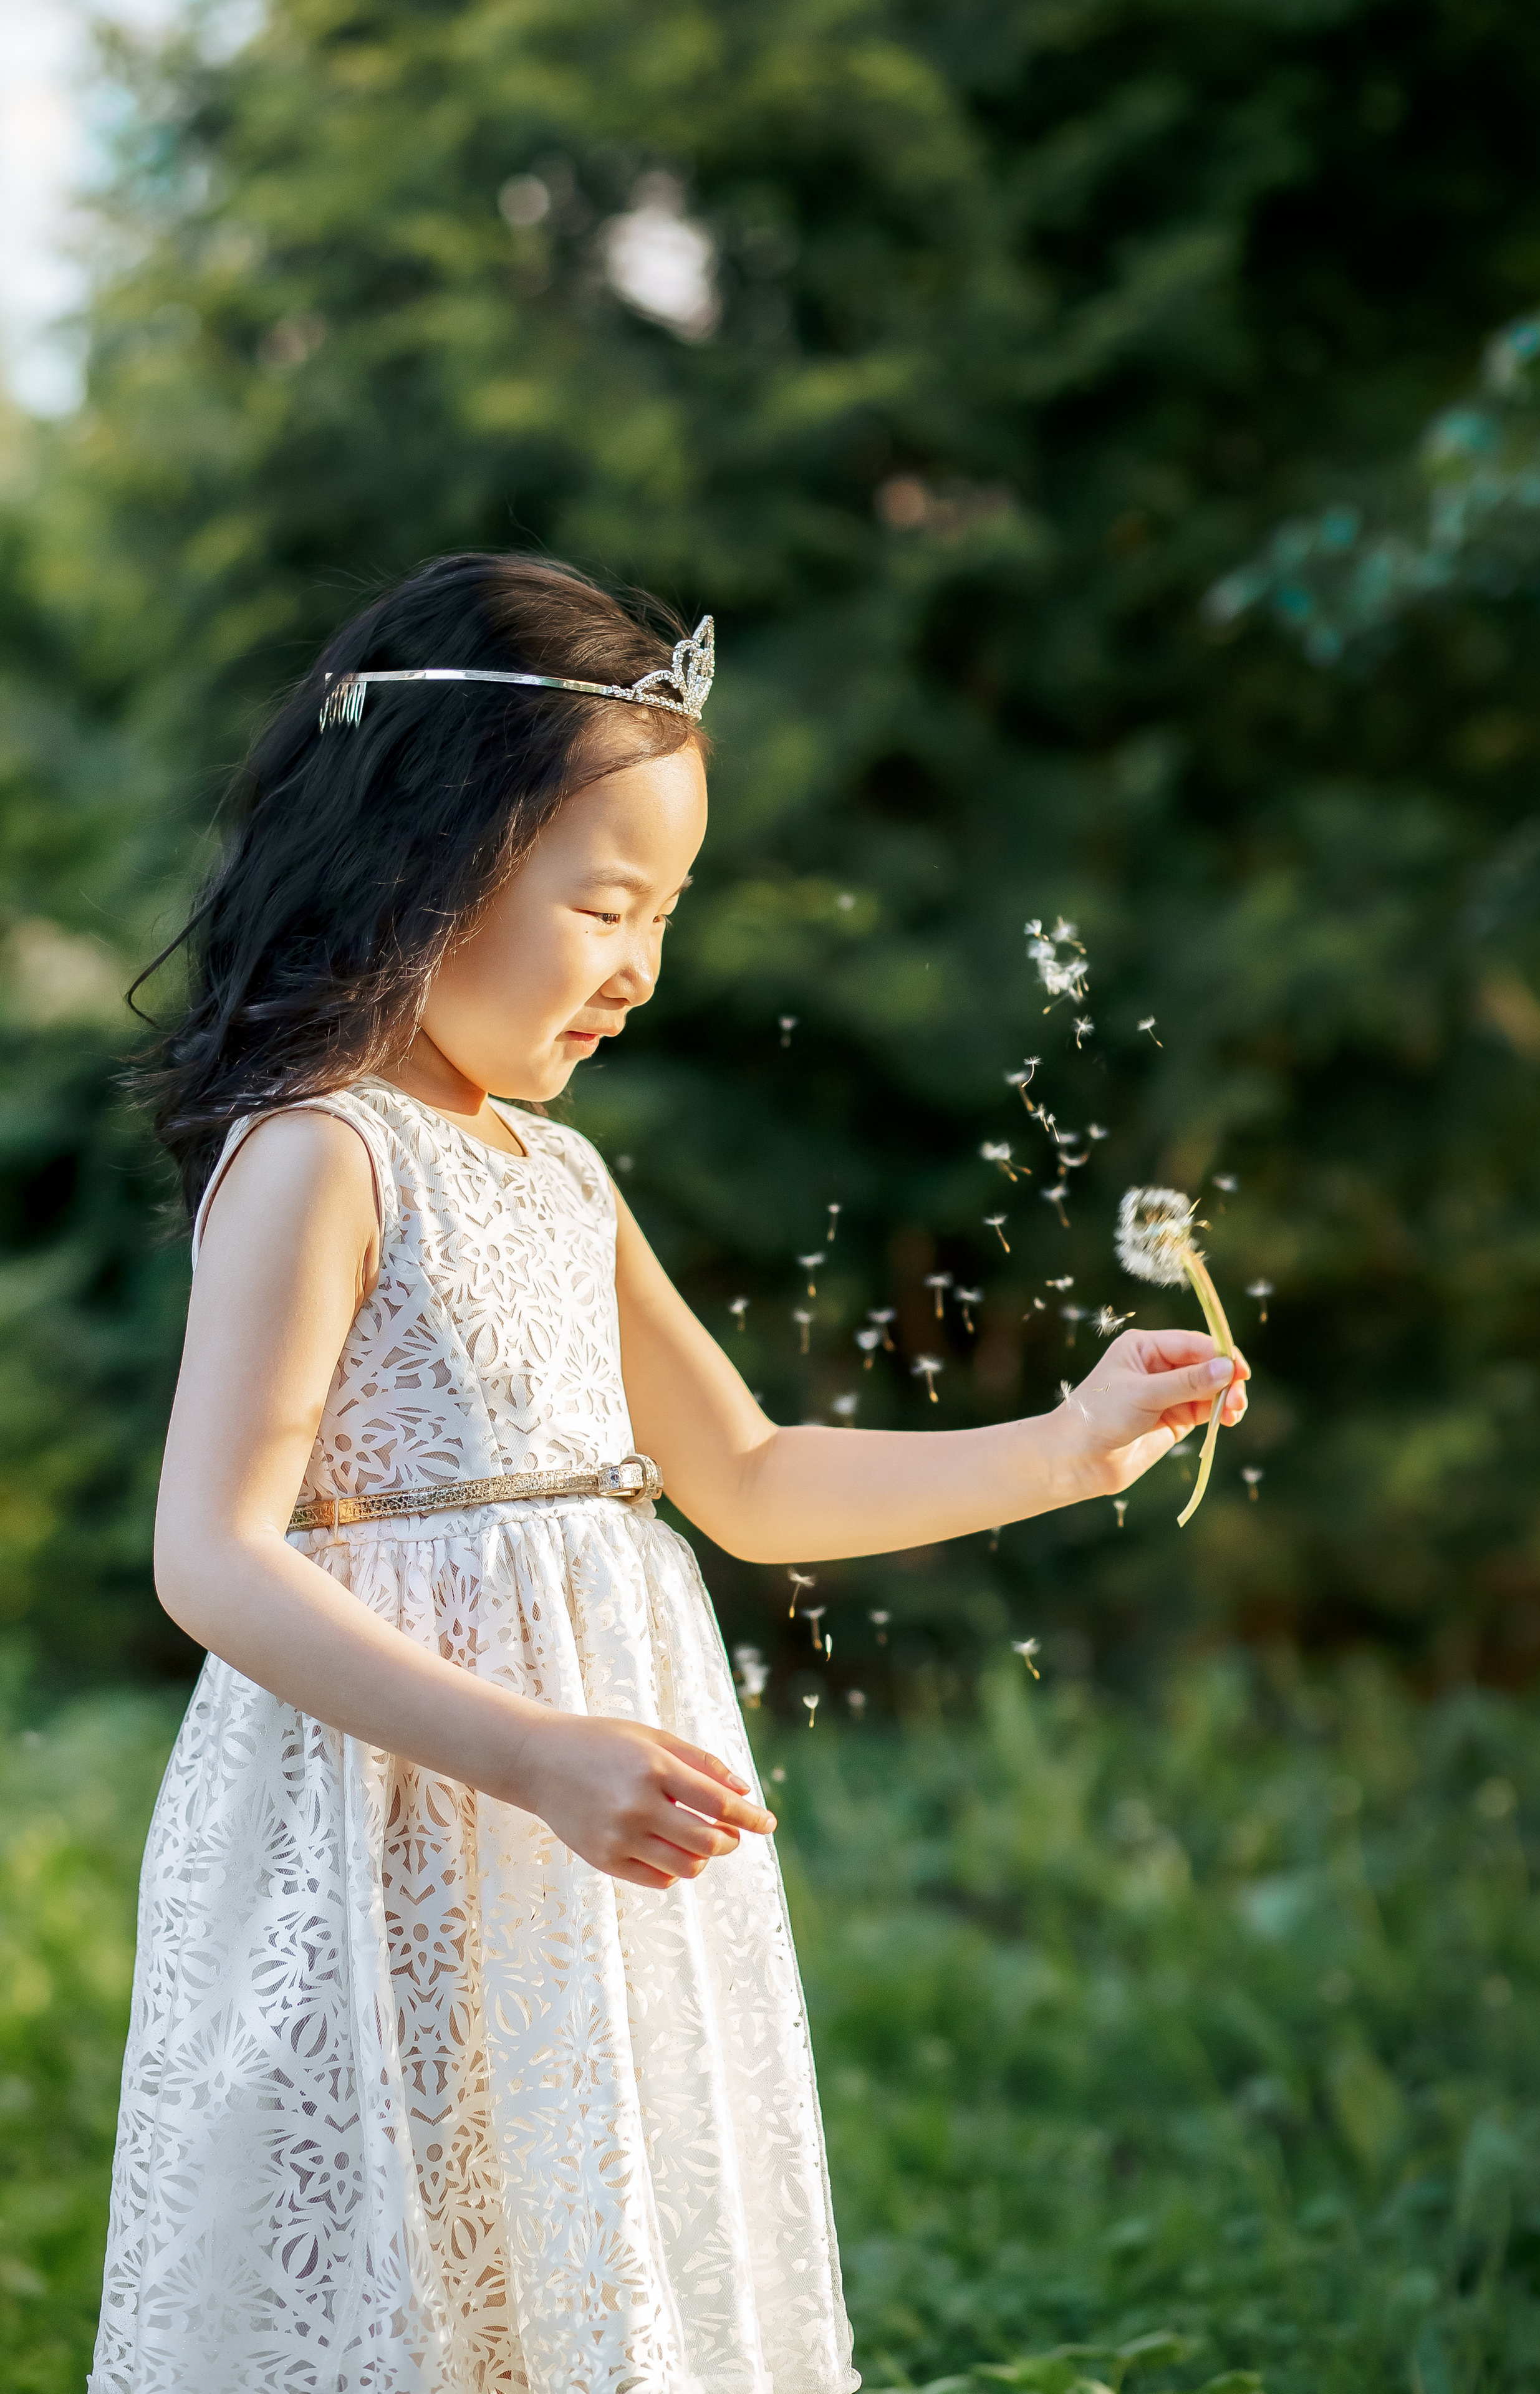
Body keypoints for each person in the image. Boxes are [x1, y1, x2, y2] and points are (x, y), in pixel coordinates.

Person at [90, 552, 1249, 2394]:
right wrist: (534, 1754)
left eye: (667, 913)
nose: (641, 970)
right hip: (398, 1826)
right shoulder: (323, 1155)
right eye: (606, 906)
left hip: (578, 1848)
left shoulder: (562, 1178)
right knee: (417, 2272)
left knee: (579, 2246)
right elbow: (213, 1556)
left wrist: (1069, 1443)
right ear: (424, 861)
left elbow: (756, 1476)